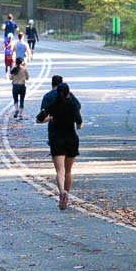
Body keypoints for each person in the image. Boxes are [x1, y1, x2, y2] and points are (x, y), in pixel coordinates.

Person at [37, 76, 83, 210]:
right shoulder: (73, 104)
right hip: (71, 139)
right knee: (68, 171)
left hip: (56, 138)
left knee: (60, 171)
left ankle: (61, 191)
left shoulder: (52, 105)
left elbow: (39, 119)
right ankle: (67, 195)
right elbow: (79, 124)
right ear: (68, 93)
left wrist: (51, 119)